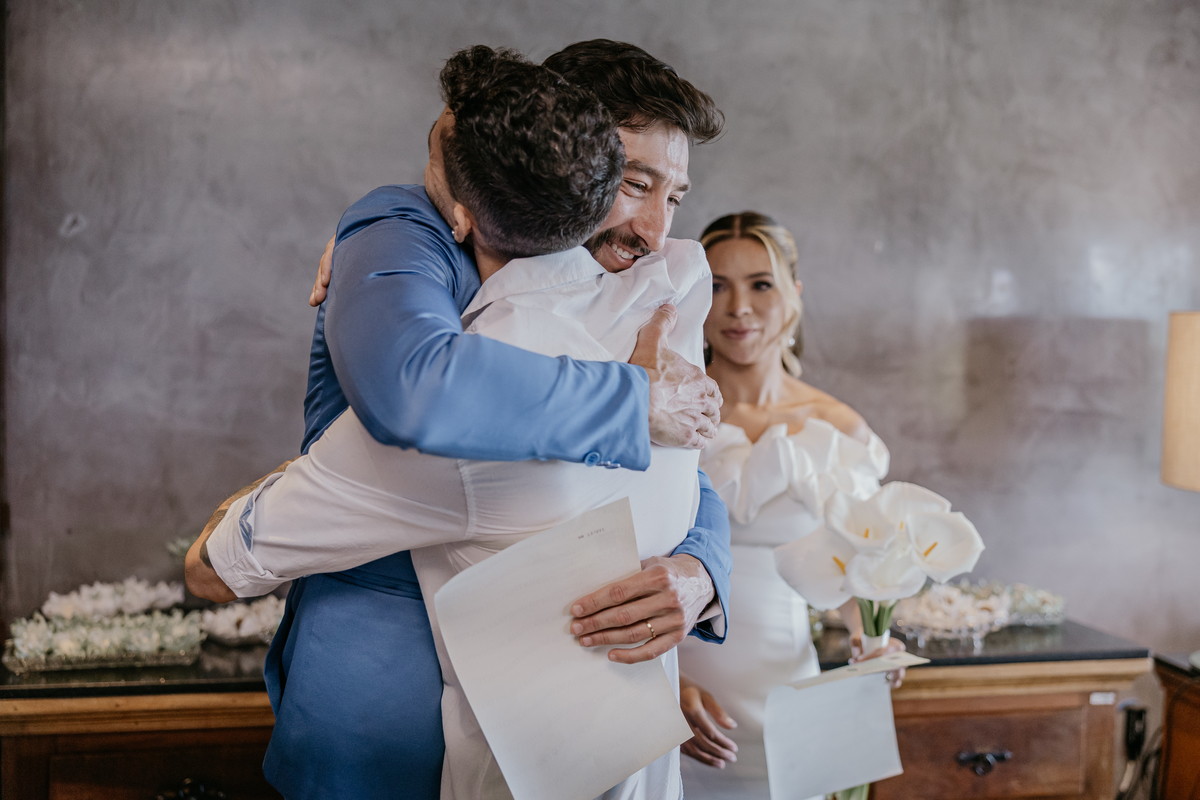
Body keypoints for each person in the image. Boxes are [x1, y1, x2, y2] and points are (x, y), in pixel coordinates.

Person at [188, 43, 731, 799]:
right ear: (557, 149)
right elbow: (419, 393)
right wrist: (632, 402)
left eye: (674, 197)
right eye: (634, 183)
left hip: (563, 736)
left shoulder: (649, 299)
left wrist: (702, 569)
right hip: (374, 697)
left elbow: (683, 469)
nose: (653, 230)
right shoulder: (403, 231)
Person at [672, 212, 903, 800]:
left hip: (788, 701)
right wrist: (664, 683)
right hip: (676, 696)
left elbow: (853, 579)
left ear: (794, 295)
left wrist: (873, 640)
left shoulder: (836, 428)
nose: (739, 308)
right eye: (717, 286)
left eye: (761, 284)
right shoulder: (661, 409)